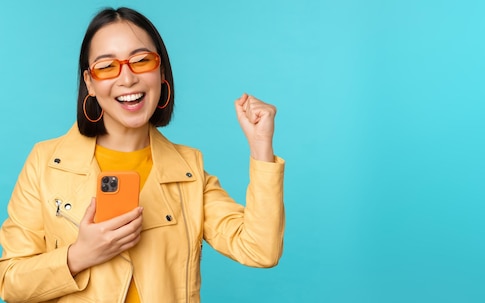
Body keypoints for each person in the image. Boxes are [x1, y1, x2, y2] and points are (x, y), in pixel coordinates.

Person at [0, 6, 285, 302]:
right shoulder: (45, 163)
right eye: (107, 66)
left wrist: (261, 146)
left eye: (141, 61)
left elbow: (259, 249)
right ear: (90, 83)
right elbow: (10, 282)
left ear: (161, 72)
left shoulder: (188, 169)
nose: (127, 79)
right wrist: (78, 256)